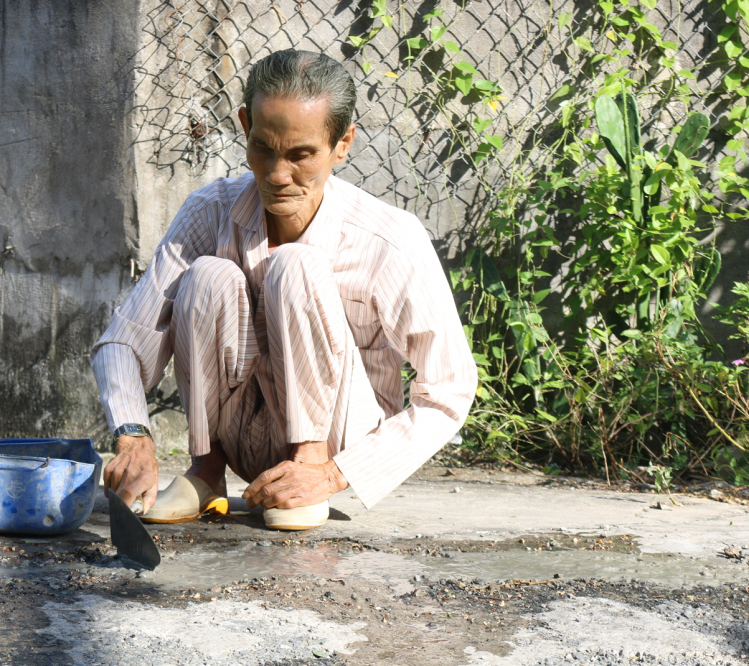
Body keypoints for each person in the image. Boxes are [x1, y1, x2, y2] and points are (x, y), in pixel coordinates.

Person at [91, 49, 477, 531]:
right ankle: (205, 472)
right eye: (263, 148)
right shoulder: (208, 212)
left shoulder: (390, 238)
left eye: (301, 155)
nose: (277, 175)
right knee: (208, 276)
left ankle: (307, 466)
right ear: (244, 124)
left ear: (342, 144)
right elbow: (124, 340)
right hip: (236, 435)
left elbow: (451, 388)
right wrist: (133, 437)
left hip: (337, 442)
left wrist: (335, 475)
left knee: (295, 266)